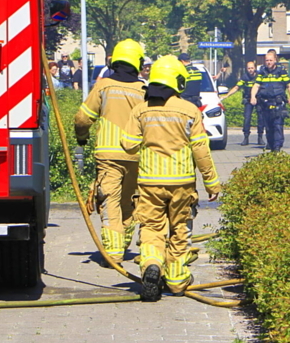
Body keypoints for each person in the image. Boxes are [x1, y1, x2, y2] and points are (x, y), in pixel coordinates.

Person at [121, 55, 222, 301]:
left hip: (149, 184)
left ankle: (152, 265)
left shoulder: (140, 110)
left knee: (152, 229)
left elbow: (128, 145)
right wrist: (212, 182)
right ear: (178, 81)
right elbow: (201, 150)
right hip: (182, 184)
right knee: (180, 230)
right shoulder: (189, 111)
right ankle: (176, 281)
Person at [74, 40, 148, 265]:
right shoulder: (144, 89)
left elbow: (82, 118)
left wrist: (82, 138)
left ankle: (114, 253)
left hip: (108, 156)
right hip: (136, 155)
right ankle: (122, 244)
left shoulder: (103, 86)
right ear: (138, 62)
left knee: (110, 201)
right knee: (129, 200)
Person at [250, 49, 290, 152]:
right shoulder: (262, 72)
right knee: (269, 128)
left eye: (270, 60)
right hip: (265, 104)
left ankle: (277, 148)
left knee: (277, 126)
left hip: (278, 104)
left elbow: (289, 86)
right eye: (267, 60)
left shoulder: (281, 72)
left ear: (275, 60)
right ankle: (271, 147)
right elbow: (256, 86)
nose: (269, 62)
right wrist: (253, 96)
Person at [221, 61, 263, 146]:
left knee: (261, 119)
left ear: (255, 68)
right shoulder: (244, 77)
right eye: (248, 68)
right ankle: (246, 137)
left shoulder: (260, 76)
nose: (250, 70)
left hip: (259, 99)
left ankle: (260, 137)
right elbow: (237, 87)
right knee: (247, 118)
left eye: (252, 68)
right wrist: (227, 95)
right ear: (246, 69)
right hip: (248, 100)